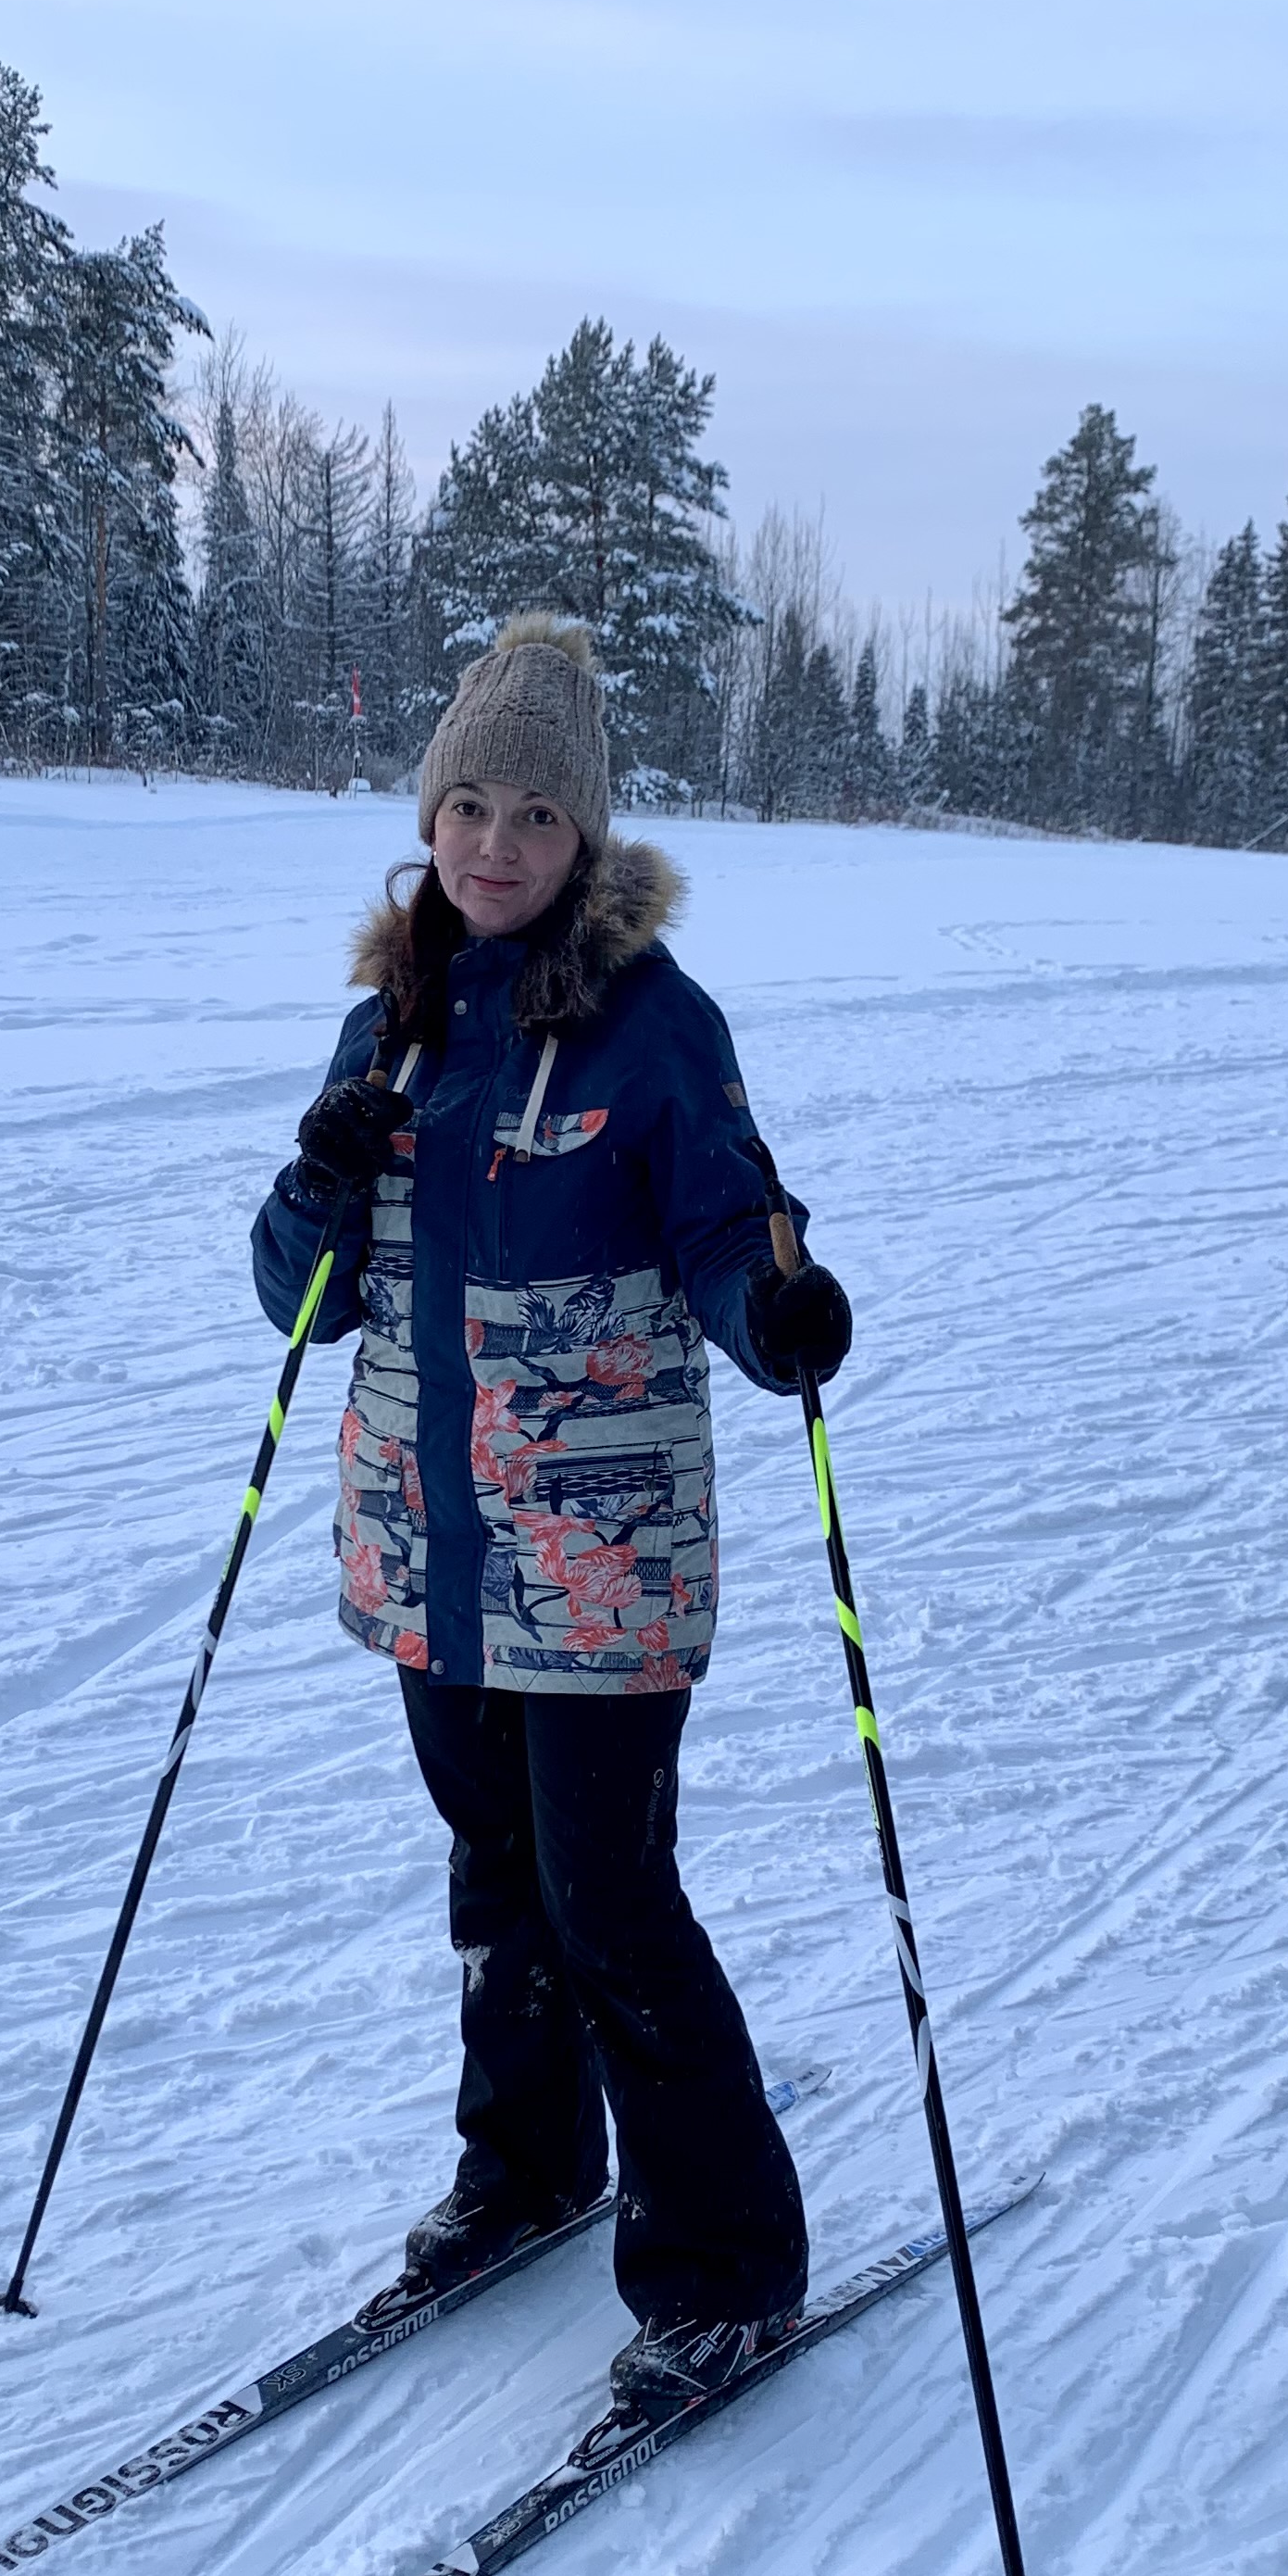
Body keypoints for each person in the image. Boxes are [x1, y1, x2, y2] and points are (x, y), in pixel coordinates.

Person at [251, 614, 854, 2425]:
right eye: (468, 807)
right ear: (427, 821)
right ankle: (527, 2167)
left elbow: (723, 1236)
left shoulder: (659, 1032)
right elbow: (298, 1299)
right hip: (431, 1532)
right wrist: (320, 1179)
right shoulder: (396, 1020)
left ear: (586, 838)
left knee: (612, 1898)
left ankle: (726, 2268)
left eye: (534, 812)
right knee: (496, 1878)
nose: (496, 844)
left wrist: (779, 1314)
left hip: (600, 1543)